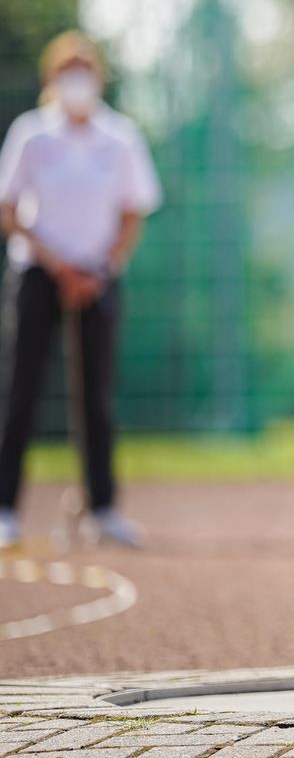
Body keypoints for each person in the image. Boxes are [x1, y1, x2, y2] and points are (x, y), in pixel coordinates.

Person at [0, 31, 162, 550]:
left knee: (97, 396)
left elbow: (133, 212)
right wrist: (58, 267)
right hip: (39, 273)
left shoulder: (120, 138)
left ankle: (103, 508)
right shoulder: (31, 134)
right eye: (67, 70)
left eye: (85, 70)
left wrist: (102, 269)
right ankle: (5, 509)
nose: (77, 80)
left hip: (99, 276)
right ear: (51, 79)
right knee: (21, 391)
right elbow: (9, 211)